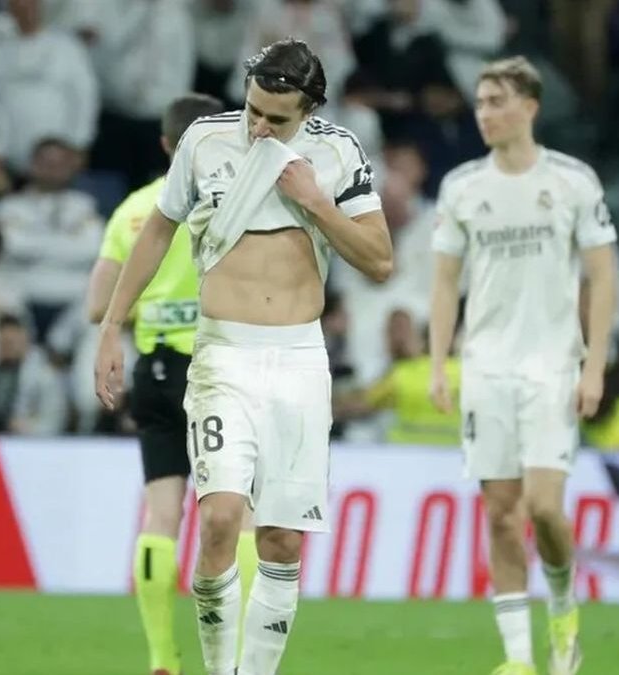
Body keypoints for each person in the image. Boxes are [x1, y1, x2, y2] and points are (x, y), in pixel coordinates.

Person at [94, 39, 390, 675]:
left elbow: (379, 261)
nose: (258, 127)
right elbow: (158, 230)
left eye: (276, 119)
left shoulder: (338, 152)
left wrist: (316, 202)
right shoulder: (204, 141)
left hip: (299, 359)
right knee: (221, 518)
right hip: (223, 354)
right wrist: (112, 324)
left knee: (281, 540)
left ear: (309, 111)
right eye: (253, 110)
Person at [428, 56, 618, 675]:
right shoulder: (462, 186)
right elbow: (444, 281)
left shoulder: (572, 181)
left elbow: (602, 275)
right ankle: (517, 659)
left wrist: (595, 366)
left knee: (542, 507)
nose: (484, 113)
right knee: (501, 514)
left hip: (552, 364)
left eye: (496, 101)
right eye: (480, 103)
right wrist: (438, 363)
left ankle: (563, 610)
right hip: (485, 366)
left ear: (530, 108)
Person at [86, 93, 258, 675]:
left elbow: (96, 305)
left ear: (165, 143)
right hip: (218, 368)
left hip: (154, 370)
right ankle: (241, 656)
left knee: (162, 514)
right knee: (243, 514)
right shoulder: (236, 198)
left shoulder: (135, 210)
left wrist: (153, 307)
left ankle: (162, 657)